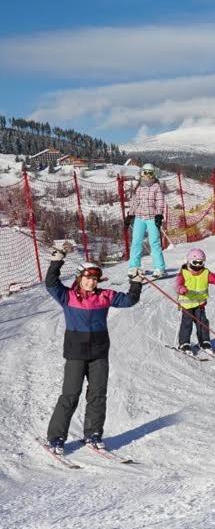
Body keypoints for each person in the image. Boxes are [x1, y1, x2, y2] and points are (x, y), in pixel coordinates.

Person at [44, 243, 143, 454]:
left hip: (99, 352)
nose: (91, 282)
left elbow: (129, 300)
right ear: (79, 278)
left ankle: (93, 434)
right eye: (87, 278)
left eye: (95, 279)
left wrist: (135, 282)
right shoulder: (67, 296)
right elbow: (51, 283)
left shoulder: (104, 296)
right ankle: (56, 437)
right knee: (70, 394)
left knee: (98, 394)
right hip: (75, 353)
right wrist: (57, 260)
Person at [175, 248, 215, 356]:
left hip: (200, 304)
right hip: (187, 304)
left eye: (200, 263)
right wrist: (181, 289)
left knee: (202, 323)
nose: (197, 265)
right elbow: (178, 285)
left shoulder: (206, 273)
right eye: (195, 262)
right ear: (189, 261)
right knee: (187, 324)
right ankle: (184, 344)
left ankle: (204, 342)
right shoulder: (183, 273)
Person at [125, 163, 166, 279]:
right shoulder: (138, 187)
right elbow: (135, 202)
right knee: (136, 242)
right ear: (142, 173)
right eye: (145, 173)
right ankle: (134, 266)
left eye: (150, 173)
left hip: (152, 217)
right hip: (139, 217)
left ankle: (159, 268)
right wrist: (130, 215)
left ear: (154, 174)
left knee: (154, 242)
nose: (148, 176)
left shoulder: (156, 187)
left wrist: (159, 214)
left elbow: (160, 201)